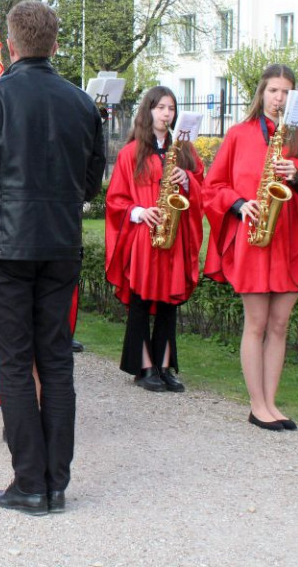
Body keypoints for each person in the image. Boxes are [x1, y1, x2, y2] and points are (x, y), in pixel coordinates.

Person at [0, 0, 105, 516]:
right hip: (58, 244)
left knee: (16, 365)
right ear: (55, 45)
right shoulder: (82, 104)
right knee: (56, 363)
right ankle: (54, 483)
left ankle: (29, 484)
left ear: (11, 45)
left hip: (5, 246)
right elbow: (90, 182)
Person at [202, 64, 298, 431]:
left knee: (280, 324)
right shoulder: (240, 134)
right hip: (254, 238)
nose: (279, 98)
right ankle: (257, 405)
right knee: (256, 324)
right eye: (274, 90)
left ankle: (272, 403)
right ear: (262, 93)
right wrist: (241, 204)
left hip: (289, 239)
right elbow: (213, 186)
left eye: (287, 92)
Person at [105, 87, 205, 393]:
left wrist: (187, 180)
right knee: (141, 300)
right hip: (143, 236)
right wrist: (138, 212)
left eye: (171, 109)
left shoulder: (185, 151)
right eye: (161, 107)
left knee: (168, 302)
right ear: (148, 111)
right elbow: (115, 200)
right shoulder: (130, 153)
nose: (166, 114)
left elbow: (203, 188)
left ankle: (164, 365)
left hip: (174, 236)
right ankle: (144, 366)